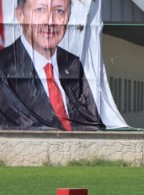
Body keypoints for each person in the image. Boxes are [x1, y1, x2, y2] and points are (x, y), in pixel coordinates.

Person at [0, 0, 104, 130]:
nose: (50, 22)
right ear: (20, 15)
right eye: (40, 9)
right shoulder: (3, 67)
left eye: (59, 11)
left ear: (68, 17)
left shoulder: (73, 64)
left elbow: (93, 124)